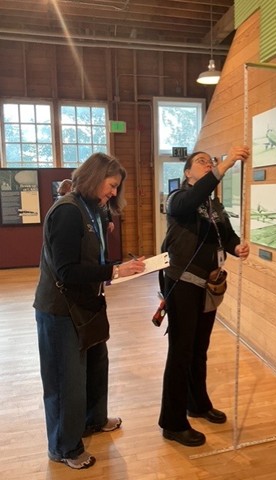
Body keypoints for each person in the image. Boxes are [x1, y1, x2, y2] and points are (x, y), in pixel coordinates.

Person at [33, 152, 146, 469]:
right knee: (65, 381)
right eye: (111, 185)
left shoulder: (90, 209)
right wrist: (115, 271)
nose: (113, 193)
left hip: (87, 303)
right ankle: (63, 447)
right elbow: (67, 271)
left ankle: (94, 420)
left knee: (97, 366)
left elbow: (88, 256)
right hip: (60, 310)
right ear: (95, 177)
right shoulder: (68, 212)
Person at [158, 145, 250, 447]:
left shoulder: (214, 205)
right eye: (201, 162)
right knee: (181, 350)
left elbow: (228, 234)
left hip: (207, 284)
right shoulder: (179, 198)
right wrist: (222, 168)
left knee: (199, 348)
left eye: (210, 161)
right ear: (187, 173)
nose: (208, 164)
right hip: (182, 281)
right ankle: (172, 422)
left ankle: (197, 404)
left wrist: (237, 247)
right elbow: (190, 203)